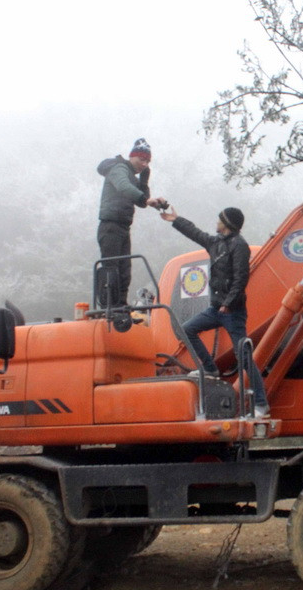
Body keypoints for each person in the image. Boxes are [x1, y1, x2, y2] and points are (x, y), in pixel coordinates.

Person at [160, 205, 268, 418]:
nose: (216, 222)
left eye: (220, 219)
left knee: (243, 356)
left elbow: (241, 278)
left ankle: (262, 405)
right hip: (215, 308)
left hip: (232, 311)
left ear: (227, 223)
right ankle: (209, 368)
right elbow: (195, 233)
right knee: (187, 329)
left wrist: (228, 302)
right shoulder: (215, 243)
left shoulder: (240, 246)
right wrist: (175, 219)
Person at [97, 138, 166, 307]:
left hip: (123, 226)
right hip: (110, 225)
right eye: (141, 159)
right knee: (111, 268)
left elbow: (142, 202)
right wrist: (144, 198)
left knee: (124, 270)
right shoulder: (119, 168)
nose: (144, 164)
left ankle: (121, 305)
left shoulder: (132, 177)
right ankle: (109, 307)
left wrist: (145, 183)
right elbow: (124, 187)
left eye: (148, 161)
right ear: (132, 156)